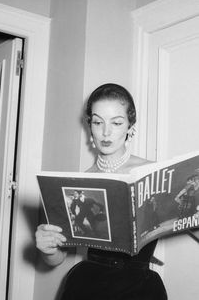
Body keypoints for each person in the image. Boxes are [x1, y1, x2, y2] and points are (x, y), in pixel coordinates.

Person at [35, 83, 168, 299]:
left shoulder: (153, 173)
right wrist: (48, 249)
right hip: (88, 286)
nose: (106, 132)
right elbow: (56, 258)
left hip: (140, 288)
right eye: (98, 122)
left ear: (130, 126)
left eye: (116, 123)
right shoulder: (76, 184)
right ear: (90, 127)